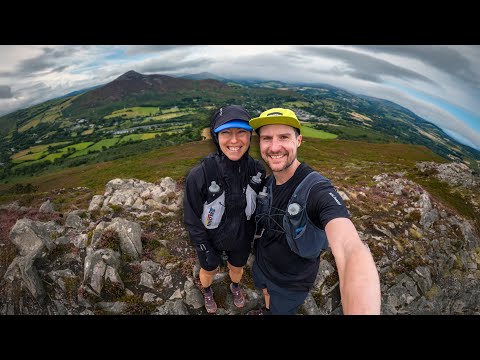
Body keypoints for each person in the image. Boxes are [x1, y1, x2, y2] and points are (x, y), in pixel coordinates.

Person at [247, 107, 381, 315]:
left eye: (284, 137)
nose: (274, 147)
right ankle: (266, 308)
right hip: (263, 265)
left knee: (280, 310)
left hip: (291, 283)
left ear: (298, 141)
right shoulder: (268, 182)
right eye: (267, 138)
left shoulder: (317, 190)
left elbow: (349, 248)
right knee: (265, 292)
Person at [183, 105, 266, 314]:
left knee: (237, 269)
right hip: (211, 239)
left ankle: (235, 286)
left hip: (241, 238)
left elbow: (259, 207)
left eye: (241, 132)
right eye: (226, 133)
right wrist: (203, 247)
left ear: (249, 136)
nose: (234, 140)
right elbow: (192, 217)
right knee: (208, 270)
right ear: (216, 137)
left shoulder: (257, 170)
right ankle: (208, 290)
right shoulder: (200, 174)